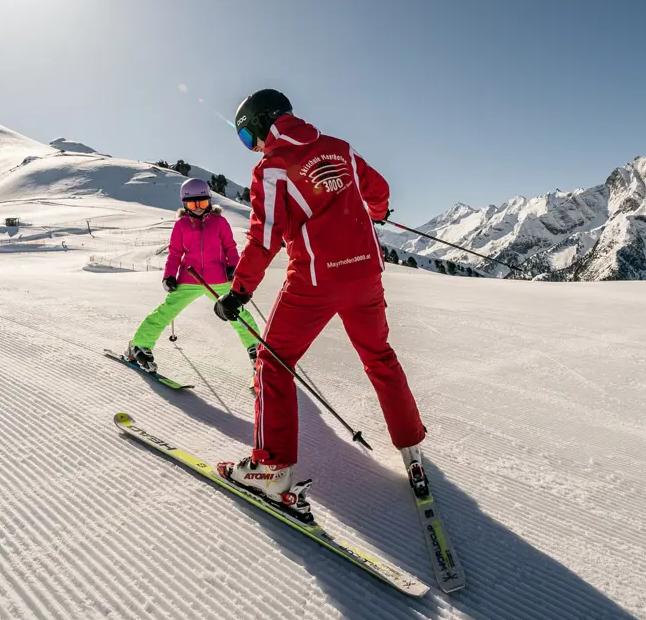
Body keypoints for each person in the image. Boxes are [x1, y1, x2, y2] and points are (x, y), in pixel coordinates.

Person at [211, 89, 426, 518]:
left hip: (315, 280)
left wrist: (239, 291)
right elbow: (377, 190)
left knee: (273, 362)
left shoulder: (271, 168)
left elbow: (265, 235)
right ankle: (412, 450)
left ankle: (270, 470)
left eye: (245, 136)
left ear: (259, 124)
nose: (251, 146)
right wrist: (378, 210)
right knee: (379, 355)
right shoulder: (339, 148)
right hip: (366, 274)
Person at [125, 178, 260, 373]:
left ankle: (255, 348)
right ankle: (140, 344)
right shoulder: (181, 225)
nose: (197, 208)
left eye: (202, 203)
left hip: (218, 279)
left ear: (209, 201)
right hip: (190, 278)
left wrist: (233, 267)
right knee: (166, 311)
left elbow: (230, 247)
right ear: (184, 204)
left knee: (236, 312)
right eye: (192, 204)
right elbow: (174, 253)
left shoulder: (220, 222)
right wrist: (169, 276)